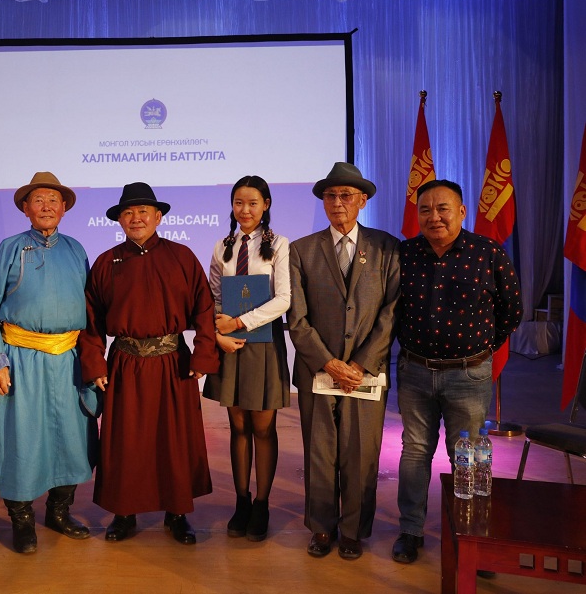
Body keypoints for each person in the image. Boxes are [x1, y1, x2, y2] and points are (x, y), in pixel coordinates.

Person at [80, 182, 220, 545]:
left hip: (172, 363)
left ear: (158, 217)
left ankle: (177, 513)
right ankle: (124, 512)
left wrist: (203, 354)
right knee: (126, 442)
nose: (136, 218)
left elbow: (204, 308)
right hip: (125, 364)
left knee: (173, 441)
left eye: (143, 211)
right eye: (128, 213)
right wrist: (95, 363)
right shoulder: (106, 262)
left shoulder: (181, 257)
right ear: (119, 220)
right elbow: (91, 318)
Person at [392, 179, 522, 564]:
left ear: (462, 212)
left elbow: (512, 309)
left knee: (467, 457)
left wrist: (480, 349)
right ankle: (410, 530)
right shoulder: (405, 254)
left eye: (443, 208)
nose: (434, 217)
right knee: (415, 452)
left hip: (468, 376)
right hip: (415, 371)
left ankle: (472, 538)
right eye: (425, 210)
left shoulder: (488, 253)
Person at [0, 171, 97, 554]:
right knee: (20, 439)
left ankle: (59, 512)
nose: (46, 206)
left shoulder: (76, 250)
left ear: (64, 208)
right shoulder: (10, 248)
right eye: (38, 200)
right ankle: (21, 520)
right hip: (20, 360)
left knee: (71, 439)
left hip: (68, 361)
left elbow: (91, 311)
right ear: (25, 208)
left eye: (53, 200)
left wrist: (94, 364)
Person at [288, 162, 400, 560]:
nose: (338, 202)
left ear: (362, 200)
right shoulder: (301, 250)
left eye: (346, 195)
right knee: (320, 453)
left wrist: (362, 364)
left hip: (366, 373)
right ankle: (322, 527)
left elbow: (392, 312)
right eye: (331, 196)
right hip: (318, 371)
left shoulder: (387, 247)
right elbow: (297, 318)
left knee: (361, 454)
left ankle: (353, 531)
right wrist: (329, 362)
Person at [202, 175, 291, 542]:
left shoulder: (279, 245)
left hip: (263, 344)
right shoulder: (223, 246)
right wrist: (219, 331)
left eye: (253, 203)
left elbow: (284, 298)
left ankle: (262, 504)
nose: (245, 210)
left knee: (263, 428)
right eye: (238, 202)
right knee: (238, 427)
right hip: (230, 346)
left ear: (266, 205)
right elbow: (212, 296)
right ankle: (241, 502)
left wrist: (240, 322)